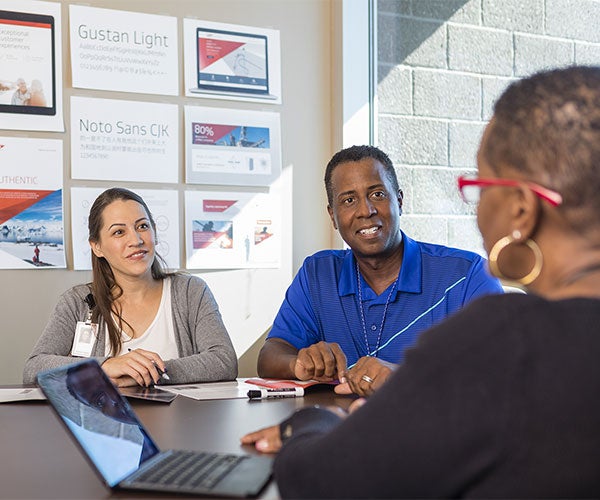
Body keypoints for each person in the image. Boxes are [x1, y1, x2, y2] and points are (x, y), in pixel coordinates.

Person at [241, 66, 600, 498]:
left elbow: (322, 481)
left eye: (479, 186)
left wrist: (312, 423)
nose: (478, 207)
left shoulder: (498, 336)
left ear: (522, 210)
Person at [257, 145, 503, 396]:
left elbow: (507, 373)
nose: (365, 211)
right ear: (333, 216)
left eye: (377, 194)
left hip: (439, 431)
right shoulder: (318, 273)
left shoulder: (468, 275)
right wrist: (300, 363)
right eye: (349, 200)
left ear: (399, 200)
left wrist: (407, 378)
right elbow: (270, 355)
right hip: (342, 429)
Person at [24, 187, 238, 386]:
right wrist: (104, 367)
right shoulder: (77, 301)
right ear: (97, 246)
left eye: (142, 226)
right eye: (119, 232)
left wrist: (147, 373)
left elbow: (224, 360)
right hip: (104, 424)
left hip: (180, 423)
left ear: (154, 232)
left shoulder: (190, 291)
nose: (135, 240)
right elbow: (34, 369)